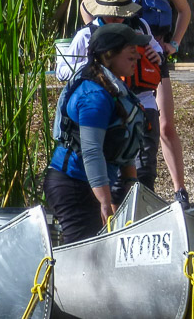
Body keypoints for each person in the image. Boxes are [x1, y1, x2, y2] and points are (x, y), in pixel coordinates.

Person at [81, 0, 192, 207]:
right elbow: (86, 4)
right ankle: (120, 193)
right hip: (120, 58)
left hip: (152, 57)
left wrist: (173, 44)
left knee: (165, 125)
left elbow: (184, 10)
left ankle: (180, 191)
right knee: (120, 119)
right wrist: (100, 36)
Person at [44, 23, 153, 243]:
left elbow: (123, 140)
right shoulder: (93, 95)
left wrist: (130, 182)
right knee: (86, 255)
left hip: (96, 185)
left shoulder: (115, 89)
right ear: (109, 54)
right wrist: (105, 202)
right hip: (72, 185)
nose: (138, 55)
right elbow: (92, 151)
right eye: (130, 49)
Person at [58, 0, 164, 190]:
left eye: (122, 12)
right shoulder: (86, 35)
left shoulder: (140, 27)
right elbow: (62, 72)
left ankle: (140, 212)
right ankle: (111, 213)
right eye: (110, 12)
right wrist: (94, 64)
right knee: (112, 170)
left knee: (144, 170)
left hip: (141, 104)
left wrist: (156, 54)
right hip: (108, 109)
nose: (116, 16)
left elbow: (157, 52)